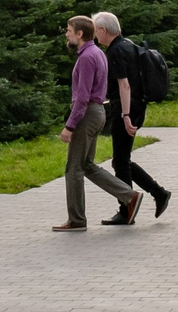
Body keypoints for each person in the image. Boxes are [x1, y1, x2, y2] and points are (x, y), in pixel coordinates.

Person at [54, 15, 141, 232]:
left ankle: (76, 220)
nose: (67, 33)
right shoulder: (98, 53)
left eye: (69, 30)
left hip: (87, 113)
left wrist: (70, 126)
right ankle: (129, 196)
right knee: (87, 166)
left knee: (73, 168)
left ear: (80, 34)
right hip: (99, 111)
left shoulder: (86, 57)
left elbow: (82, 97)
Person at [96, 10, 170, 221]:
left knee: (120, 161)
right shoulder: (128, 44)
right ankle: (158, 194)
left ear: (103, 30)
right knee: (121, 160)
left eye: (96, 31)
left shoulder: (116, 51)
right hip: (136, 106)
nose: (95, 35)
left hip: (127, 108)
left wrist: (125, 115)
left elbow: (124, 85)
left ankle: (127, 209)